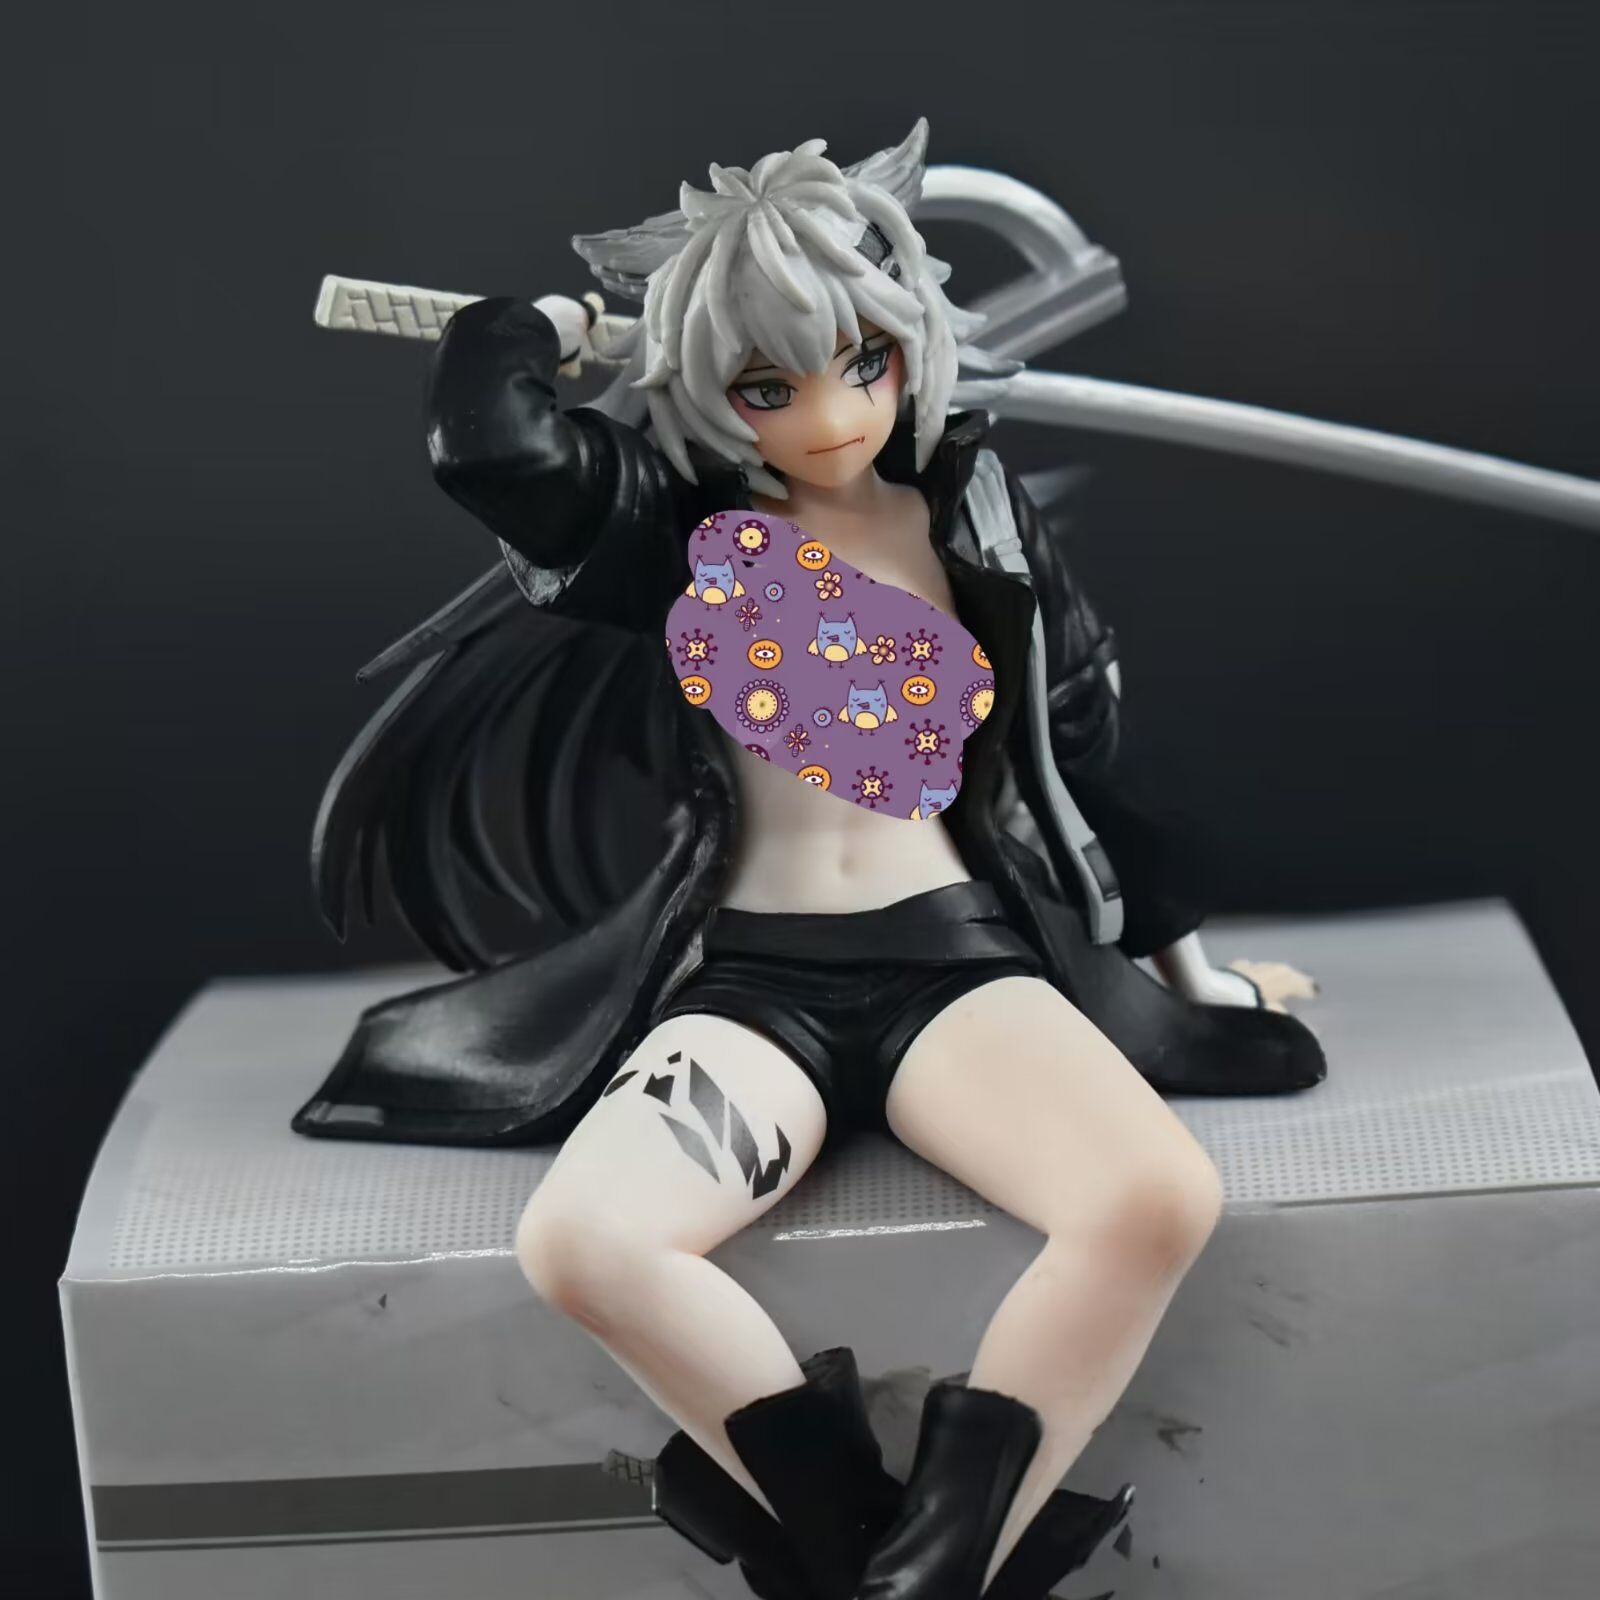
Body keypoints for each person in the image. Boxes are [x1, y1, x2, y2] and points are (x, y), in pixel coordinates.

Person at [293, 122, 1323, 1598]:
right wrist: (538, 328)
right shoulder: (678, 529)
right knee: (586, 1243)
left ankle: (908, 1569)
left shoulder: (976, 524)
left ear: (913, 350)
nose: (829, 415)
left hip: (953, 962)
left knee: (1153, 1197)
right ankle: (872, 1557)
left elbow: (1083, 756)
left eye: (863, 363)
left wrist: (1194, 977)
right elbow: (493, 446)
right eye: (767, 386)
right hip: (751, 987)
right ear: (705, 390)